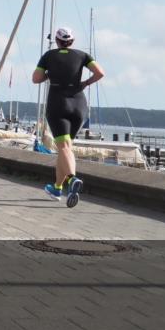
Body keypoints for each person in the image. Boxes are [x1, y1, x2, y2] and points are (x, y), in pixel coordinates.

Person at [32, 27, 105, 207]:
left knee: (63, 146)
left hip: (58, 104)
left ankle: (72, 180)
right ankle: (57, 187)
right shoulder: (83, 55)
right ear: (72, 41)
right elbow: (100, 73)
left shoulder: (48, 56)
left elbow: (36, 78)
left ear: (57, 41)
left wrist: (50, 74)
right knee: (65, 148)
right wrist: (85, 83)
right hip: (79, 106)